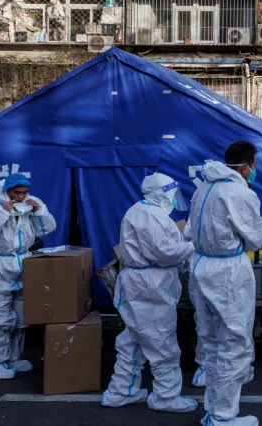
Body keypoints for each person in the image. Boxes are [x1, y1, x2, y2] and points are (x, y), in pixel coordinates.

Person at [186, 141, 262, 426]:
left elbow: (189, 230)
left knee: (210, 341)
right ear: (245, 167)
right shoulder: (239, 192)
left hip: (201, 265)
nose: (254, 171)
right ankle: (223, 417)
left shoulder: (203, 188)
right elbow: (256, 238)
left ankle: (213, 409)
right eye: (254, 166)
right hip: (228, 271)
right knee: (233, 343)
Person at [101, 173, 198, 413]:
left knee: (133, 342)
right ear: (159, 193)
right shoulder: (149, 215)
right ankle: (165, 397)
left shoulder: (144, 211)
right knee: (161, 342)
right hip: (149, 286)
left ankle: (120, 392)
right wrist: (193, 245)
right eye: (169, 192)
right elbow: (163, 252)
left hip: (143, 285)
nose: (173, 198)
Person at [0, 173, 56, 380]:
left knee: (20, 317)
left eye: (24, 193)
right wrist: (0, 214)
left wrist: (39, 211)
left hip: (22, 263)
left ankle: (13, 358)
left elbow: (47, 229)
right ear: (7, 190)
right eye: (17, 193)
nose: (21, 197)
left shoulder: (31, 202)